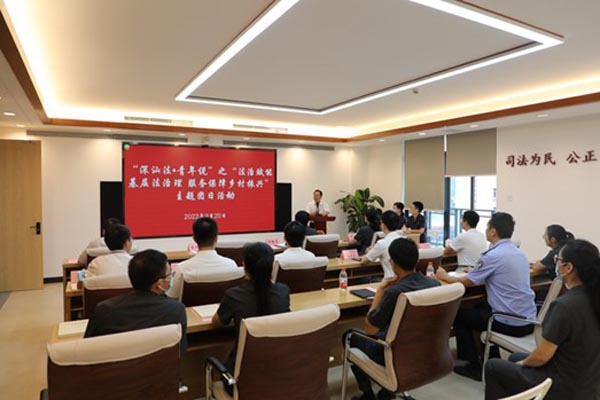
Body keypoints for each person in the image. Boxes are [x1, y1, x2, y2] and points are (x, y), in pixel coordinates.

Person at [485, 239, 600, 400]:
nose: (556, 264)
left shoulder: (564, 305)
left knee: (493, 366)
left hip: (560, 386)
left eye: (557, 260)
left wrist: (523, 364)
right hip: (588, 383)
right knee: (514, 358)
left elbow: (541, 356)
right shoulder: (593, 297)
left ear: (568, 267)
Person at [436, 212, 537, 381]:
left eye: (488, 227)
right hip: (528, 319)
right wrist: (476, 271)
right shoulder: (519, 253)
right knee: (478, 307)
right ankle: (490, 356)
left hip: (509, 322)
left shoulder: (493, 255)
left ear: (493, 231)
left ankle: (473, 365)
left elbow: (466, 282)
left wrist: (444, 275)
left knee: (460, 316)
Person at [346, 238, 440, 400]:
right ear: (416, 260)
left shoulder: (394, 292)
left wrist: (380, 291)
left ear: (393, 264)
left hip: (393, 352)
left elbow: (370, 329)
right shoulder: (434, 285)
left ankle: (368, 394)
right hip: (424, 349)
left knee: (348, 336)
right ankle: (386, 392)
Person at [212, 243, 290, 383]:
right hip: (278, 372)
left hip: (242, 378)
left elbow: (216, 323)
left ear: (245, 266)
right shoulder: (283, 292)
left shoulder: (234, 295)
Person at [84, 249, 187, 353]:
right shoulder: (176, 309)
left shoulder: (104, 310)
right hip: (159, 363)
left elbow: (88, 350)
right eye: (169, 275)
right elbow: (180, 351)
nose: (171, 278)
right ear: (159, 284)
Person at [167, 217, 237, 298]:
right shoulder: (231, 265)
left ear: (194, 238)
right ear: (216, 238)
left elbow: (172, 296)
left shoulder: (181, 269)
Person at [360, 210, 401, 278]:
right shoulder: (405, 239)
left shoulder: (382, 243)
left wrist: (369, 251)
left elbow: (364, 261)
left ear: (383, 225)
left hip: (390, 280)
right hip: (405, 280)